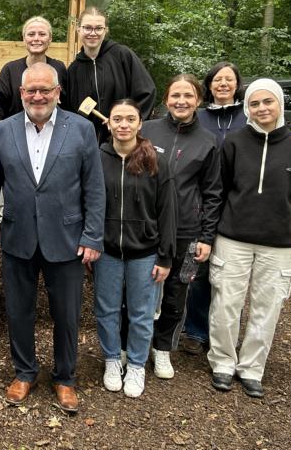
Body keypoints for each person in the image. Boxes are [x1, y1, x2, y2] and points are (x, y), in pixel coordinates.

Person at [0, 62, 105, 414]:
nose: (38, 96)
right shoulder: (3, 131)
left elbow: (95, 188)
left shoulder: (81, 129)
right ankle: (24, 372)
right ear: (21, 94)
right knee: (19, 312)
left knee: (66, 315)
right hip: (17, 235)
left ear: (57, 92)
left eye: (45, 90)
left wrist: (93, 237)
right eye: (31, 90)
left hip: (67, 238)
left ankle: (65, 378)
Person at [208, 79, 291, 399]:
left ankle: (252, 368)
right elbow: (221, 189)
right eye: (254, 104)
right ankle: (223, 362)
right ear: (247, 108)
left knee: (267, 307)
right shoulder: (234, 143)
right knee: (226, 302)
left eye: (268, 102)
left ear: (279, 104)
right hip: (234, 236)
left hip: (279, 241)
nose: (261, 108)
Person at [138, 74, 222, 381]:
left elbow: (213, 192)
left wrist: (206, 236)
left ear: (198, 100)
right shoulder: (147, 130)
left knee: (175, 293)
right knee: (139, 290)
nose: (181, 101)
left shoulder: (207, 142)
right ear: (166, 99)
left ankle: (162, 349)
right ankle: (134, 345)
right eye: (175, 95)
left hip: (186, 230)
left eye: (188, 96)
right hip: (146, 225)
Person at [94, 100, 176, 398]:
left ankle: (138, 364)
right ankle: (113, 359)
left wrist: (166, 256)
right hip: (106, 251)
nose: (124, 124)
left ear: (140, 124)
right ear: (110, 124)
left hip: (145, 252)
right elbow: (89, 203)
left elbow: (168, 211)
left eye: (130, 119)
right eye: (118, 119)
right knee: (107, 310)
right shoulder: (97, 158)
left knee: (141, 313)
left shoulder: (156, 160)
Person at [182, 61, 247, 354]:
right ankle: (196, 330)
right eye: (217, 79)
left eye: (228, 80)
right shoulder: (199, 118)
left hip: (236, 203)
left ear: (237, 85)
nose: (223, 84)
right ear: (208, 86)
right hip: (200, 201)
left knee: (230, 272)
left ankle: (224, 332)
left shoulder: (248, 118)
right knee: (200, 271)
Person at [64, 6, 156, 143]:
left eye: (98, 28)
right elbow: (71, 109)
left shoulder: (122, 56)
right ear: (78, 29)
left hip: (123, 138)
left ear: (106, 30)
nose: (93, 33)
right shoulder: (74, 69)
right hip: (88, 142)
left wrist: (128, 122)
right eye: (87, 28)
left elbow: (147, 92)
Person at [0, 16, 67, 119]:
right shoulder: (10, 70)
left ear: (50, 39)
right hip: (15, 131)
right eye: (31, 34)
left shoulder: (58, 68)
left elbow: (66, 104)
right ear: (24, 38)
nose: (36, 38)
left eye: (42, 34)